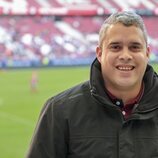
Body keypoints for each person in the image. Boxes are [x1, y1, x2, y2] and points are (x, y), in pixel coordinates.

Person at [26, 11, 158, 158]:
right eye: (115, 47)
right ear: (99, 53)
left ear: (147, 54)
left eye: (134, 47)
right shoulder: (59, 111)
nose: (125, 56)